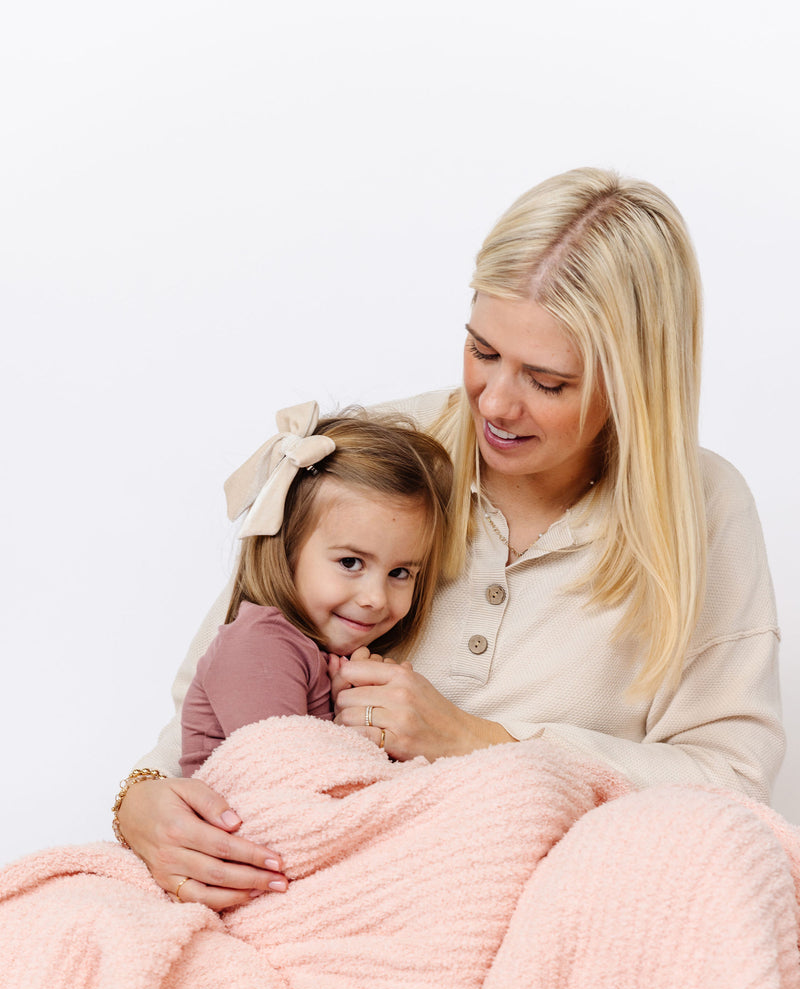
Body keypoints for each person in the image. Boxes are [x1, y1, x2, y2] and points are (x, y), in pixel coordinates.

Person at [115, 166, 785, 911]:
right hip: (322, 889)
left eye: (548, 381)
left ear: (633, 381)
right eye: (482, 350)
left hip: (539, 907)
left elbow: (733, 787)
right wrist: (140, 802)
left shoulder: (704, 510)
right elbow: (211, 699)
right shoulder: (376, 458)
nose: (496, 402)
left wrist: (478, 739)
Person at [179, 403, 452, 778]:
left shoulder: (318, 655)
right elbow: (288, 783)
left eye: (401, 572)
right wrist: (353, 729)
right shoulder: (261, 645)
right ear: (286, 549)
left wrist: (348, 705)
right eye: (351, 563)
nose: (375, 597)